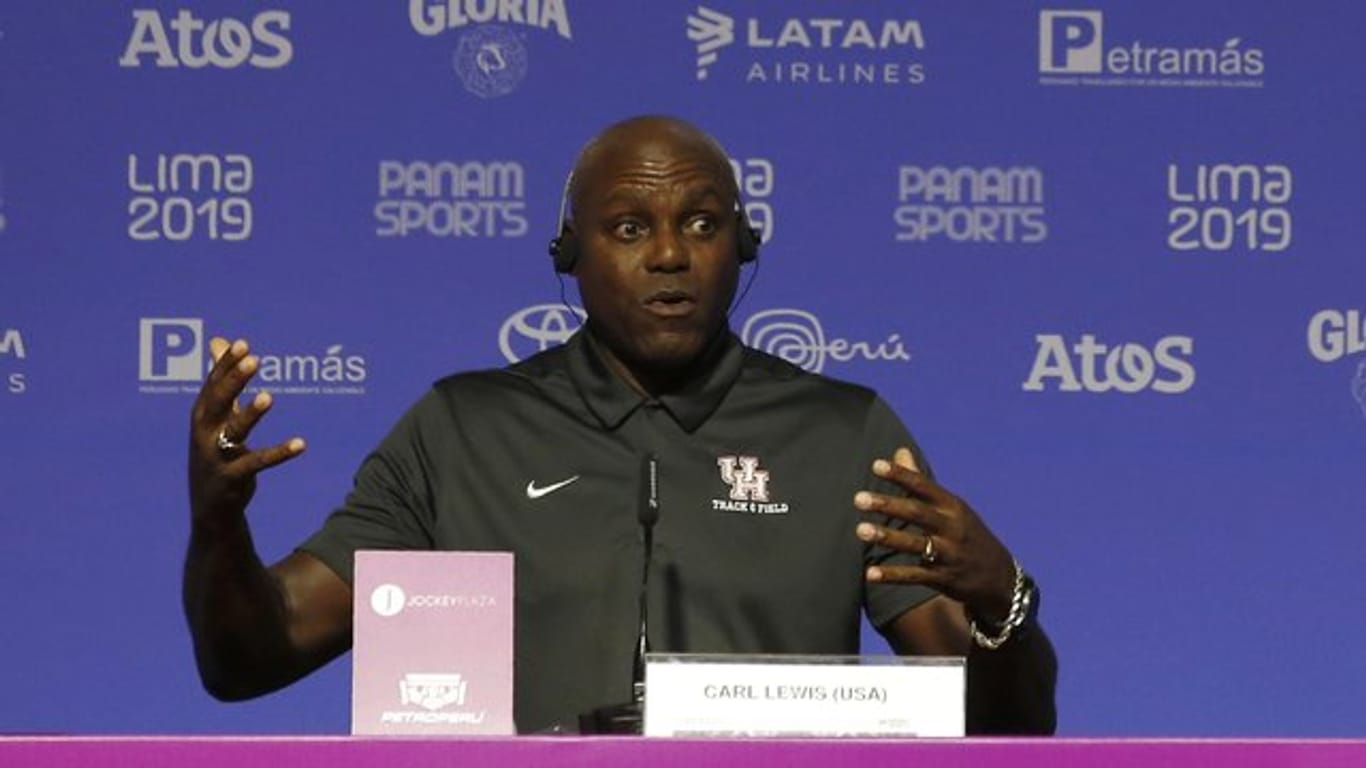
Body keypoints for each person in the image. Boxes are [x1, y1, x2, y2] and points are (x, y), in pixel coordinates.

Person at [184, 115, 1057, 734]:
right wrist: (218, 527)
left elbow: (1005, 730)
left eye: (703, 224)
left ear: (743, 249)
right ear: (572, 255)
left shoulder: (843, 432)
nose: (671, 253)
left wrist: (1001, 602)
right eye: (631, 226)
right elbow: (252, 658)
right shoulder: (464, 430)